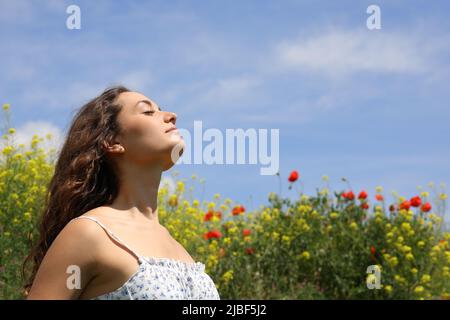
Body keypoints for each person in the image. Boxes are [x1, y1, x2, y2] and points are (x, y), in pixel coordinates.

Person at [23, 85, 220, 300]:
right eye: (147, 111)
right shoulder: (88, 233)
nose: (172, 116)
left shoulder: (178, 247)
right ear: (113, 142)